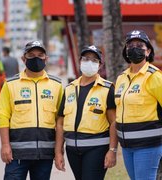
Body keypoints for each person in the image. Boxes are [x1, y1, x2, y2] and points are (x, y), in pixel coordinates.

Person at [0, 40, 63, 180]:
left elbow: (60, 121)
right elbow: (3, 116)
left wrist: (58, 152)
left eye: (40, 55)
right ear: (23, 59)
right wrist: (5, 145)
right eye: (31, 55)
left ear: (46, 58)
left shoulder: (57, 85)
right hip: (17, 154)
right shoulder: (10, 85)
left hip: (45, 154)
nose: (36, 58)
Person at [55, 45, 117, 180]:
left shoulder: (107, 89)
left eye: (95, 60)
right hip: (72, 150)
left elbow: (114, 122)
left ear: (100, 65)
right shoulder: (69, 89)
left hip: (97, 149)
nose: (90, 62)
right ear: (80, 61)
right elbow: (60, 123)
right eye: (86, 59)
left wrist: (112, 150)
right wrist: (58, 151)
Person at [115, 30, 162, 180]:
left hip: (148, 146)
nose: (134, 48)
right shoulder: (121, 78)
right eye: (130, 45)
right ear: (126, 51)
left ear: (148, 51)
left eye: (140, 45)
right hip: (127, 147)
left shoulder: (154, 76)